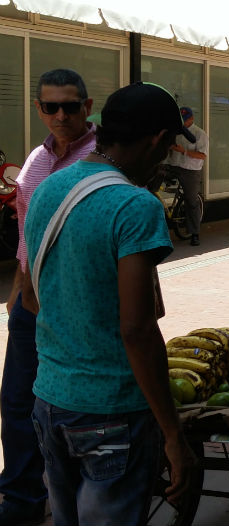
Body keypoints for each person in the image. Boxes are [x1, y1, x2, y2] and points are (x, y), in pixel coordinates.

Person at [22, 81, 198, 525]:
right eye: (170, 144)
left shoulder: (49, 188)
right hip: (111, 412)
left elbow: (30, 296)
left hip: (49, 402)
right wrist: (174, 437)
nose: (168, 155)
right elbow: (137, 329)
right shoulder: (134, 205)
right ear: (157, 140)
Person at [0, 68, 96, 526]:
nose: (60, 115)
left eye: (70, 106)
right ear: (39, 108)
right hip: (29, 303)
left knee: (70, 404)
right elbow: (25, 227)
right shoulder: (37, 158)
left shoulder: (101, 159)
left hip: (74, 304)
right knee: (17, 400)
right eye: (50, 106)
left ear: (88, 107)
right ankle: (20, 498)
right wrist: (18, 288)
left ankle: (75, 499)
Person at [164, 106, 208, 246]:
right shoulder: (175, 131)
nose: (182, 123)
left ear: (191, 118)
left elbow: (202, 155)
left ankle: (195, 233)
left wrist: (183, 151)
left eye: (185, 120)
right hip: (172, 165)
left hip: (190, 169)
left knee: (191, 200)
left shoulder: (199, 134)